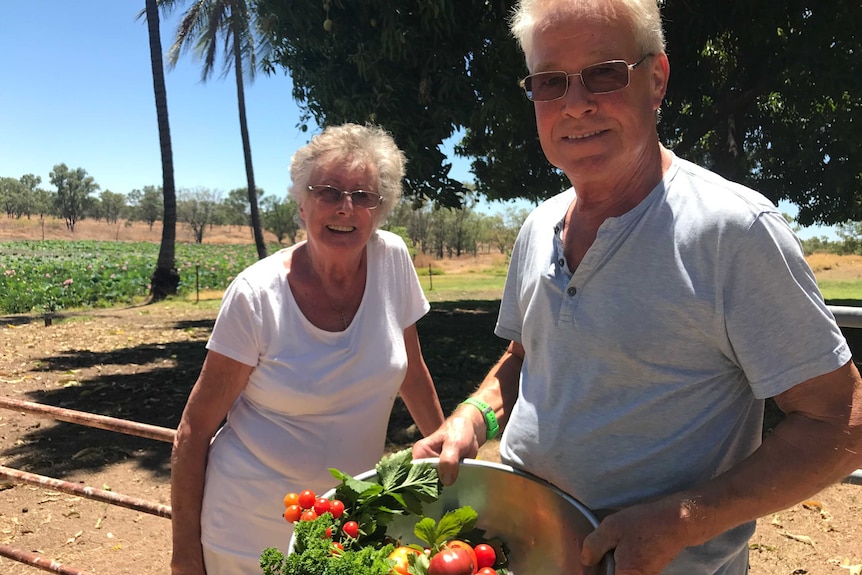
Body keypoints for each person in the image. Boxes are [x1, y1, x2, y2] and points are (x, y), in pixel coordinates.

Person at [413, 1, 862, 573]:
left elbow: (842, 419)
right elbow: (524, 357)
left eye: (604, 73)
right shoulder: (536, 226)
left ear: (656, 80)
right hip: (521, 550)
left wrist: (685, 521)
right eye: (551, 82)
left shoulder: (733, 233)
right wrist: (472, 417)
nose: (575, 104)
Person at [170, 123, 446, 575]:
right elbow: (194, 429)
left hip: (345, 526)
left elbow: (412, 372)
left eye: (363, 195)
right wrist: (184, 557)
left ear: (381, 208)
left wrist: (450, 456)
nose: (346, 207)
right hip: (248, 532)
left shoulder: (392, 260)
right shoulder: (256, 295)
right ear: (302, 203)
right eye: (329, 191)